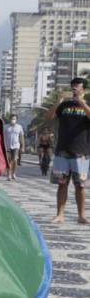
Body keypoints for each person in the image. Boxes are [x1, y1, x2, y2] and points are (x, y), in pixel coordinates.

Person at [47, 77, 90, 224]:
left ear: (83, 89)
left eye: (77, 88)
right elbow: (49, 116)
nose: (75, 90)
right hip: (62, 150)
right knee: (62, 184)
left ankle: (81, 215)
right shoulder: (64, 105)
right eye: (73, 88)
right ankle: (60, 215)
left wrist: (82, 103)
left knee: (80, 185)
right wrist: (58, 101)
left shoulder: (86, 105)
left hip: (81, 152)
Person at [4, 114, 24, 180]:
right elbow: (2, 136)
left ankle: (14, 173)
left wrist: (22, 146)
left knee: (15, 160)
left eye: (14, 119)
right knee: (9, 160)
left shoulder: (19, 127)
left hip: (16, 146)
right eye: (12, 119)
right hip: (7, 146)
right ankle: (8, 174)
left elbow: (21, 137)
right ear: (10, 119)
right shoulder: (5, 127)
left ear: (16, 120)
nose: (13, 120)